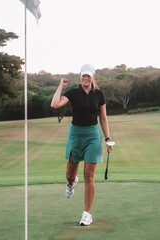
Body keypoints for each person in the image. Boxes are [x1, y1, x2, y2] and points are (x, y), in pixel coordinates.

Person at [51, 63, 113, 226]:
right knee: (70, 174)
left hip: (93, 135)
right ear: (80, 76)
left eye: (88, 76)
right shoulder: (72, 93)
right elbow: (55, 104)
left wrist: (107, 139)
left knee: (89, 176)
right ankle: (71, 183)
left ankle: (87, 214)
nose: (85, 78)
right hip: (75, 134)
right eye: (83, 75)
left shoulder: (99, 94)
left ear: (93, 77)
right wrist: (60, 86)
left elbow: (103, 117)